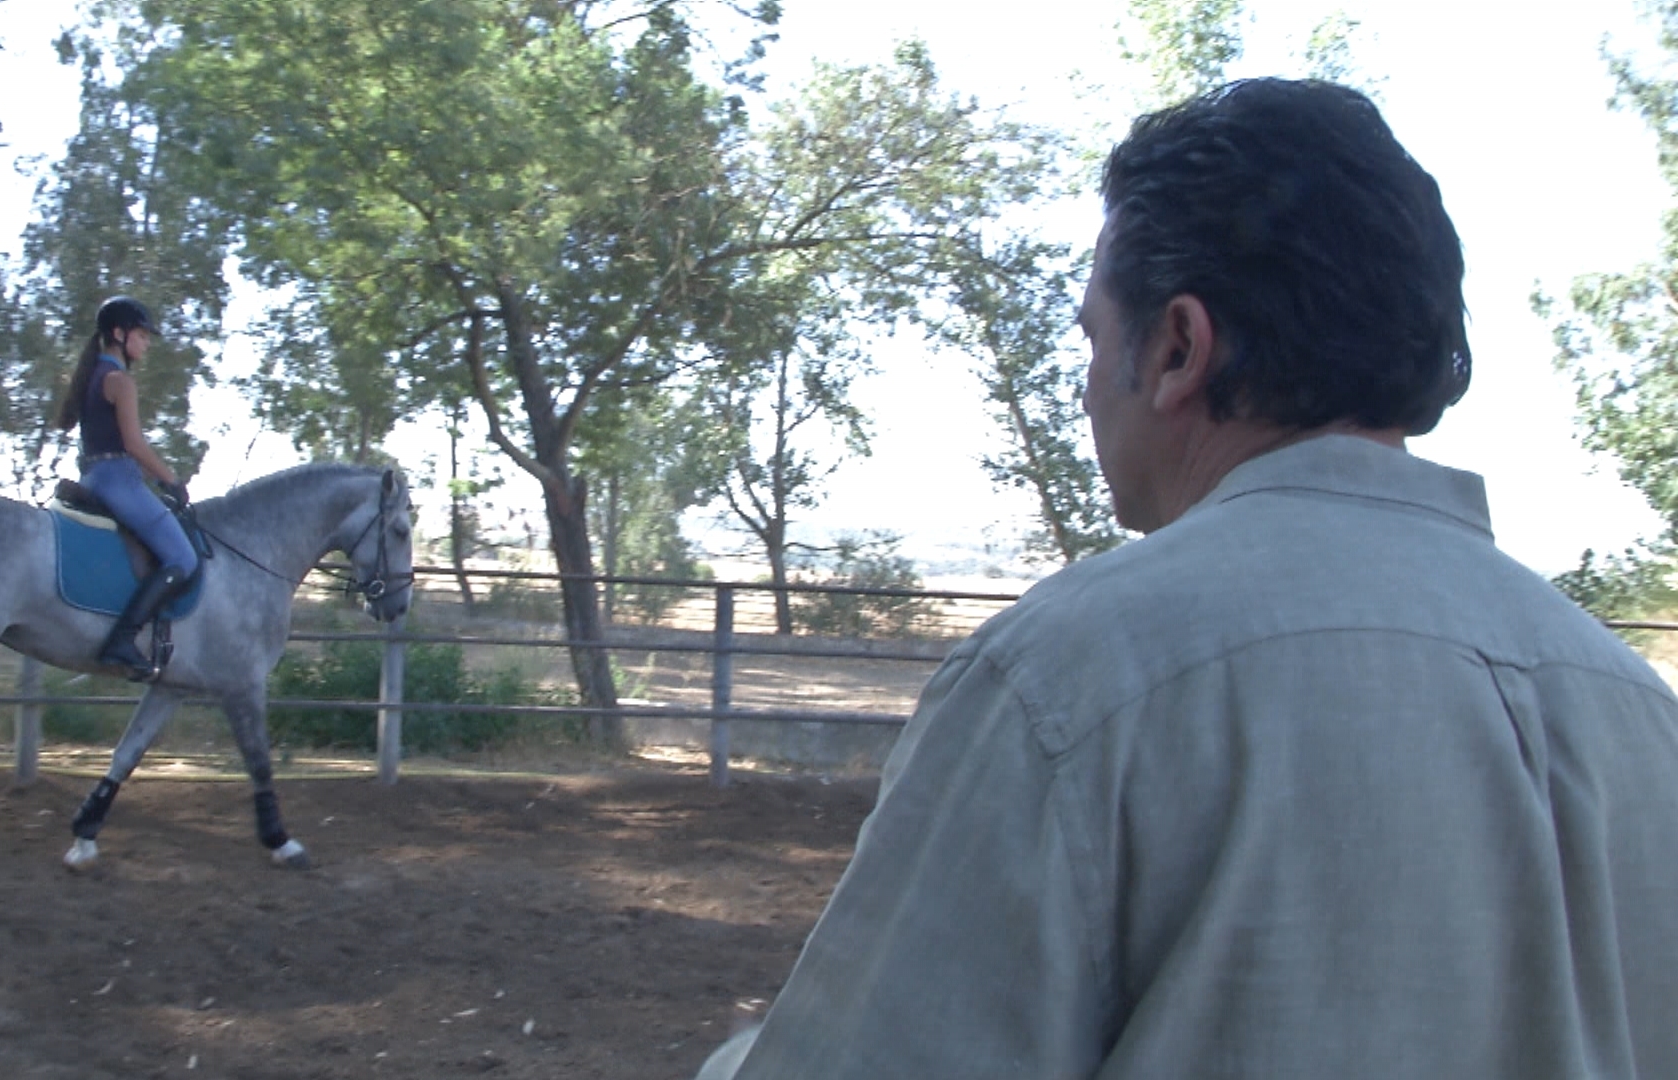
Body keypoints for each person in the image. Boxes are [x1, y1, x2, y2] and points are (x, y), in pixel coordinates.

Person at [699, 78, 1678, 1079]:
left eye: (1089, 338)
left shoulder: (1071, 679)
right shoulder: (1638, 709)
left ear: (1176, 347)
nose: (1084, 386)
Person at [52, 295, 199, 681]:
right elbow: (134, 445)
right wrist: (170, 479)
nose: (147, 343)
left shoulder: (93, 377)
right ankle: (122, 639)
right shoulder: (120, 381)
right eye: (142, 335)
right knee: (183, 559)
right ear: (119, 334)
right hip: (119, 481)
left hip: (95, 477)